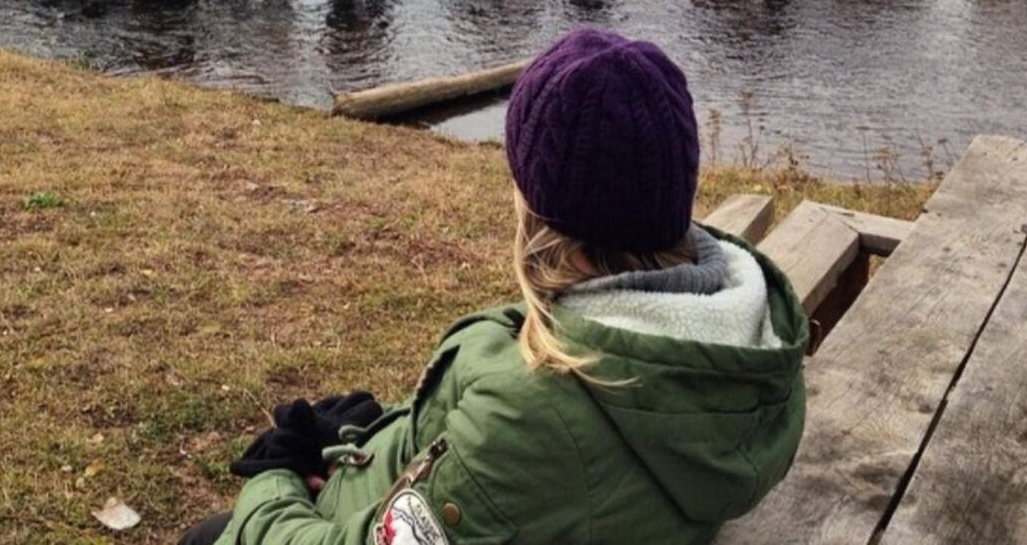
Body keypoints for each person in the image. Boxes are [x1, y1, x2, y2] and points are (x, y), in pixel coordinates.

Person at [183, 28, 807, 545]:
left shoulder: (538, 417)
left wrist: (277, 476)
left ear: (540, 205)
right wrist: (371, 436)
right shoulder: (729, 338)